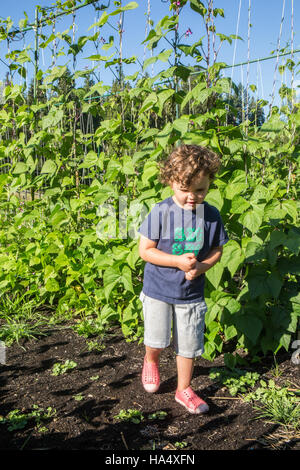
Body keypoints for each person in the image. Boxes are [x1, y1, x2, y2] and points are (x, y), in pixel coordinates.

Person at [137, 144, 229, 414]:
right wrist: (177, 261)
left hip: (190, 292)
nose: (192, 197)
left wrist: (202, 266)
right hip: (158, 290)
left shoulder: (211, 216)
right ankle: (151, 360)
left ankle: (184, 389)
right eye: (184, 190)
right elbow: (145, 250)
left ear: (209, 183)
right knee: (156, 338)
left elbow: (217, 250)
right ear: (170, 182)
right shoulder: (161, 212)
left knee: (188, 344)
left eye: (200, 190)